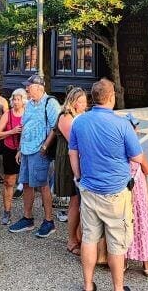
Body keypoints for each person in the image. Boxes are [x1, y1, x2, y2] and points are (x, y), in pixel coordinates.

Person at [69, 78, 148, 291]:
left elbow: (73, 153)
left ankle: (88, 285)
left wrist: (78, 177)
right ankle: (118, 287)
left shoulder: (79, 121)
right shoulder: (122, 124)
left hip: (88, 189)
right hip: (116, 191)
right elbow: (137, 157)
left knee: (89, 239)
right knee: (117, 243)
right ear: (112, 97)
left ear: (93, 98)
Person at [7, 75, 60, 238]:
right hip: (27, 150)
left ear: (39, 88)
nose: (27, 89)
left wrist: (45, 146)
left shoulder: (50, 103)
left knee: (42, 185)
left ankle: (49, 221)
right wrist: (20, 149)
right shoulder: (28, 104)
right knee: (26, 183)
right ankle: (27, 218)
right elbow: (25, 125)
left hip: (40, 151)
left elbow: (55, 126)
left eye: (29, 86)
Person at [54, 87, 88, 255]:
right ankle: (71, 240)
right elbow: (73, 140)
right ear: (73, 102)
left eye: (85, 102)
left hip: (80, 159)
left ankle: (79, 236)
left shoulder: (82, 116)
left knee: (80, 202)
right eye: (80, 102)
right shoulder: (66, 117)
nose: (83, 105)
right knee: (74, 201)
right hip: (68, 160)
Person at [123, 113, 148, 277]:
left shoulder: (117, 148)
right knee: (141, 224)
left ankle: (123, 261)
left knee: (124, 224)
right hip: (138, 192)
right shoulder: (135, 148)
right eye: (135, 127)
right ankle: (146, 264)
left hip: (122, 192)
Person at [0, 88, 25, 225]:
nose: (16, 102)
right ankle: (7, 211)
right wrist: (12, 131)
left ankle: (27, 215)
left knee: (27, 184)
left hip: (24, 150)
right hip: (9, 149)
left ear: (24, 101)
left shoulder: (28, 114)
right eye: (14, 99)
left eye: (19, 99)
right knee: (9, 182)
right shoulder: (8, 114)